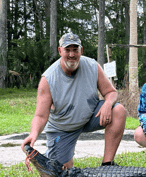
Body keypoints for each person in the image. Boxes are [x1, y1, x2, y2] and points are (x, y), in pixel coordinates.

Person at [21, 32, 126, 169]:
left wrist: (107, 103)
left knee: (118, 110)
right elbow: (40, 115)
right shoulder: (48, 79)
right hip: (63, 128)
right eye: (67, 50)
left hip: (90, 116)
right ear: (60, 51)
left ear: (81, 50)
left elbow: (111, 92)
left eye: (75, 50)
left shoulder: (92, 66)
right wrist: (33, 134)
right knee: (63, 171)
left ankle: (107, 164)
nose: (72, 54)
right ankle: (53, 153)